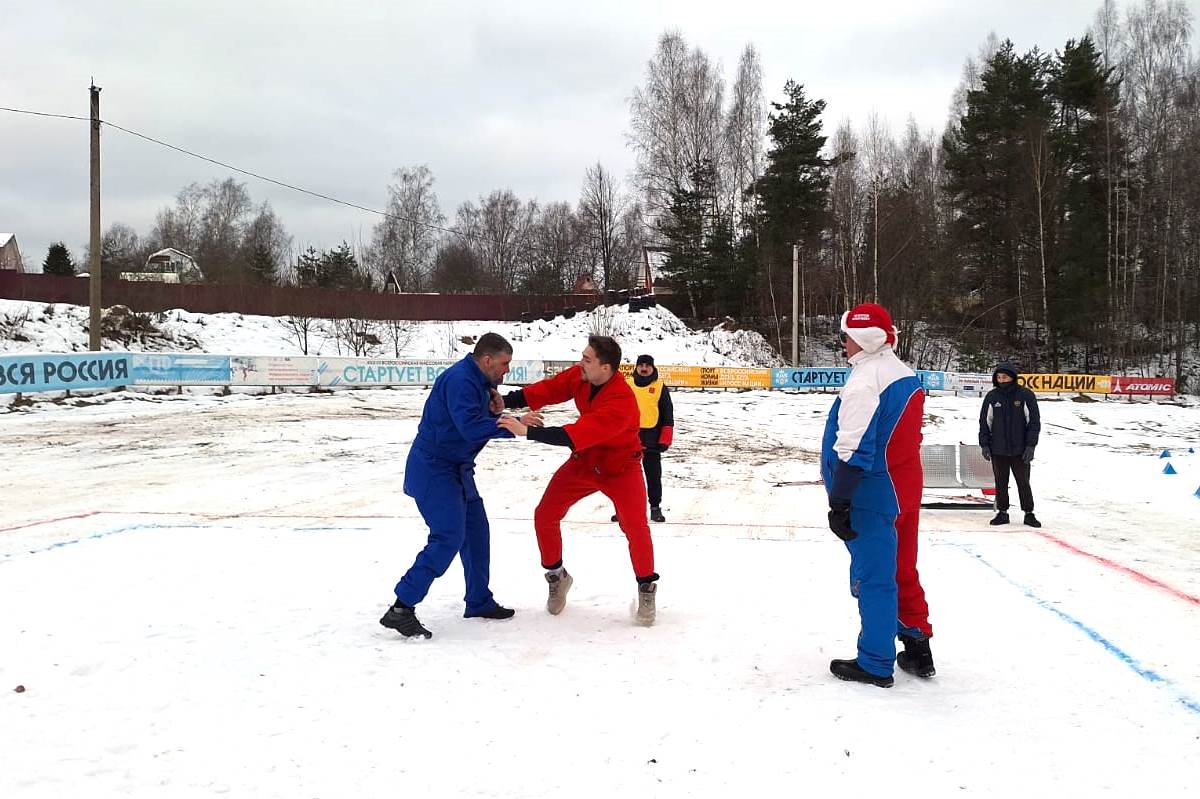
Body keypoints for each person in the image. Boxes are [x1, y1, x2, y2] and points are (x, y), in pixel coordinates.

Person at [379, 333, 541, 639]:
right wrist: (513, 424)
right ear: (487, 360)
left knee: (477, 532)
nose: (507, 370)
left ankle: (479, 600)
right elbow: (469, 428)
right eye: (505, 363)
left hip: (457, 469)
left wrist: (497, 412)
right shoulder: (459, 380)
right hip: (434, 469)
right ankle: (401, 608)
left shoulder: (480, 381)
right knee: (448, 537)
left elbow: (472, 419)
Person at [497, 335, 660, 625]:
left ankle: (646, 586)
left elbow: (575, 433)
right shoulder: (583, 375)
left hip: (621, 468)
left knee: (635, 527)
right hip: (586, 460)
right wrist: (504, 402)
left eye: (587, 359)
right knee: (545, 514)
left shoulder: (621, 402)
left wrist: (527, 433)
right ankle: (557, 577)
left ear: (606, 368)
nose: (580, 363)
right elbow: (550, 389)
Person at [822, 302, 934, 688]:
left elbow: (854, 447)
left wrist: (840, 500)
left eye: (846, 337)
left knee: (874, 578)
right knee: (903, 568)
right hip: (904, 486)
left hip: (872, 490)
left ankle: (875, 661)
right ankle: (918, 647)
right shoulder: (904, 374)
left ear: (862, 338)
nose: (843, 345)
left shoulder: (865, 381)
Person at [611, 354, 674, 524]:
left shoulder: (660, 387)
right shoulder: (627, 385)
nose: (644, 368)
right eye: (641, 365)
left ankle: (655, 508)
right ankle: (622, 509)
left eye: (647, 366)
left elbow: (668, 414)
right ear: (636, 367)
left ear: (653, 368)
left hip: (652, 439)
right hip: (627, 438)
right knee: (622, 476)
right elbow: (615, 410)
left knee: (653, 476)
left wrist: (665, 438)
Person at [978, 363, 1042, 528]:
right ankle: (1002, 512)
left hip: (1020, 450)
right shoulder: (992, 397)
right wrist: (984, 444)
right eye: (998, 377)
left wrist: (1030, 446)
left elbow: (1033, 422)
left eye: (1004, 377)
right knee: (1000, 482)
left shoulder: (1025, 395)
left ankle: (1029, 513)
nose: (1001, 380)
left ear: (1013, 377)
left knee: (1023, 482)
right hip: (998, 449)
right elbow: (985, 422)